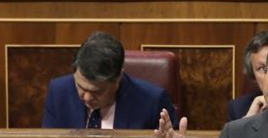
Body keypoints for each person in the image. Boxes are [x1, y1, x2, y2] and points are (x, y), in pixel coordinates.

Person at [41, 31, 178, 129]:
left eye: (97, 91)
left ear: (119, 77)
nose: (87, 97)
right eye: (81, 87)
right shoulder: (58, 92)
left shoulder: (153, 103)